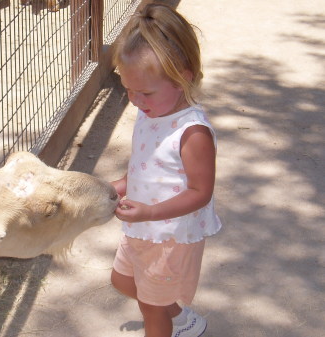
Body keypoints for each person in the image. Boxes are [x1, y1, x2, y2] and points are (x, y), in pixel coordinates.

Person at [110, 3, 222, 337]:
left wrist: (150, 211)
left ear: (182, 77)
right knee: (123, 281)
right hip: (143, 226)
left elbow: (200, 192)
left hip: (170, 235)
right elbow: (147, 165)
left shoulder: (192, 132)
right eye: (127, 89)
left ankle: (169, 320)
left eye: (144, 91)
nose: (134, 99)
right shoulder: (150, 112)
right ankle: (183, 318)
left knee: (151, 309)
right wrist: (120, 184)